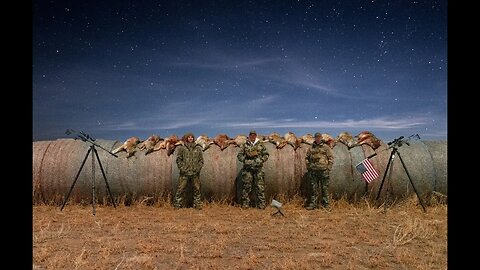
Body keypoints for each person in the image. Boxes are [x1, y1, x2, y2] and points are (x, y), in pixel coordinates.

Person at [237, 130, 269, 209]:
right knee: (246, 187)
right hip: (247, 170)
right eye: (251, 135)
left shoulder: (261, 144)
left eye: (254, 135)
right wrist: (245, 160)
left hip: (258, 169)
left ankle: (261, 205)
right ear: (249, 136)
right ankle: (245, 204)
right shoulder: (245, 145)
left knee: (260, 187)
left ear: (256, 135)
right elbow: (239, 155)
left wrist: (261, 160)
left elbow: (266, 154)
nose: (252, 136)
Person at [173, 132, 204, 210]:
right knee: (181, 189)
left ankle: (197, 205)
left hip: (195, 173)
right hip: (184, 173)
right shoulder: (182, 148)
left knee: (197, 189)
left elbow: (201, 161)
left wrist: (197, 169)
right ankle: (177, 205)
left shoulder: (198, 149)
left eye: (192, 137)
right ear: (186, 138)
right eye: (189, 137)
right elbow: (178, 160)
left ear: (193, 138)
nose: (190, 138)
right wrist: (183, 169)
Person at [305, 132, 334, 210]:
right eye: (316, 137)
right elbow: (306, 158)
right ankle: (313, 204)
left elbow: (331, 158)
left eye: (319, 137)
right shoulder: (311, 148)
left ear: (321, 138)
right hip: (313, 172)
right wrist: (309, 167)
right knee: (314, 189)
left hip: (323, 171)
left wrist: (328, 168)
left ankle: (326, 205)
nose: (318, 138)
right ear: (315, 138)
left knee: (325, 188)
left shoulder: (326, 147)